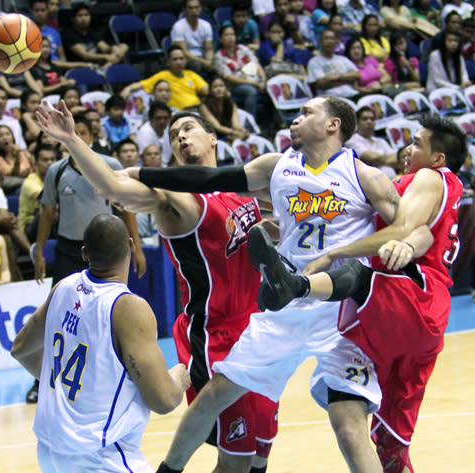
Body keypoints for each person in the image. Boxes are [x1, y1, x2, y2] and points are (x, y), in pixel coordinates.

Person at [72, 96, 425, 473]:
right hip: (277, 309)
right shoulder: (277, 167)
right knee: (218, 403)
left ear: (332, 125)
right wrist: (137, 171)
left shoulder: (366, 176)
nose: (296, 116)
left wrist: (403, 249)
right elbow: (208, 178)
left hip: (340, 314)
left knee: (346, 426)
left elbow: (413, 229)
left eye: (307, 112)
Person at [35, 101, 280, 473]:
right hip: (215, 336)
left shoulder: (243, 189)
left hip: (259, 330)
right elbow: (112, 184)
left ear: (213, 137)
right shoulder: (173, 200)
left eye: (187, 128)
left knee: (260, 454)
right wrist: (71, 140)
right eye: (173, 135)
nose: (180, 136)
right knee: (237, 460)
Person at [251, 113, 466, 473]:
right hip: (419, 319)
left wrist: (336, 252)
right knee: (390, 447)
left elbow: (410, 230)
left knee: (355, 275)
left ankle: (296, 286)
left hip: (413, 294)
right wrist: (289, 225)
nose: (408, 148)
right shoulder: (424, 185)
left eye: (417, 143)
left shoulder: (429, 176)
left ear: (438, 158)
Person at [11, 213, 191, 473]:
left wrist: (63, 387)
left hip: (50, 452)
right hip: (101, 456)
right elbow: (163, 400)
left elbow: (20, 349)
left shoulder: (63, 288)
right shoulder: (129, 308)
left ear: (84, 253)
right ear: (131, 245)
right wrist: (178, 379)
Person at [25, 114, 146, 405]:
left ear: (90, 138)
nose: (76, 136)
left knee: (114, 311)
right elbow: (46, 213)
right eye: (72, 132)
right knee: (57, 312)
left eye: (81, 132)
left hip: (107, 248)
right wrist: (40, 250)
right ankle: (40, 378)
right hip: (69, 248)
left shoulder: (111, 166)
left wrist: (137, 247)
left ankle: (127, 371)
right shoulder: (56, 171)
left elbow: (126, 208)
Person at [121, 45, 209, 112]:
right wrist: (127, 89)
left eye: (181, 59)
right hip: (179, 112)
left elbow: (206, 90)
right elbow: (140, 85)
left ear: (185, 60)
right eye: (175, 59)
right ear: (168, 62)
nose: (179, 62)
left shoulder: (191, 75)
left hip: (198, 109)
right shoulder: (162, 76)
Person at [214, 25, 267, 117]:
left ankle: (274, 121)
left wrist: (263, 80)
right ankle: (251, 121)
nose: (230, 37)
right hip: (234, 86)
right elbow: (230, 78)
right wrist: (255, 84)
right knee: (250, 91)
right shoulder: (219, 57)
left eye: (232, 34)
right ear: (220, 39)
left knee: (269, 86)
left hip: (254, 80)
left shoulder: (243, 49)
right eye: (227, 35)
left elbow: (257, 65)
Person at [61, 3, 128, 67]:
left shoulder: (91, 32)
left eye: (86, 15)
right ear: (73, 19)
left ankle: (106, 67)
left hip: (98, 63)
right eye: (80, 16)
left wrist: (113, 48)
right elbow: (84, 55)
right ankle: (107, 67)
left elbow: (104, 48)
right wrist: (106, 57)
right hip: (82, 66)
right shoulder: (69, 35)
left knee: (124, 46)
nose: (84, 19)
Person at [18, 144, 57, 242]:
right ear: (35, 163)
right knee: (47, 210)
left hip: (51, 221)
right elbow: (47, 201)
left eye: (52, 159)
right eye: (45, 160)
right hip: (29, 227)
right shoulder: (29, 182)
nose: (49, 163)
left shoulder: (58, 179)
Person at [345, 106, 398, 178]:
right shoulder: (352, 140)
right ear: (357, 122)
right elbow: (371, 158)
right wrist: (389, 160)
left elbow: (396, 159)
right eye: (365, 119)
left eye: (372, 119)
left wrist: (379, 160)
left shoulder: (381, 141)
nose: (369, 122)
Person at [307, 29, 360, 98]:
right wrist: (347, 80)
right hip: (331, 99)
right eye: (326, 38)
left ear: (336, 42)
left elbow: (357, 75)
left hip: (352, 95)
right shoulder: (314, 62)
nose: (329, 41)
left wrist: (334, 77)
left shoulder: (343, 59)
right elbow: (322, 84)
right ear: (320, 42)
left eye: (332, 39)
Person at [199, 75, 249, 142]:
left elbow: (235, 124)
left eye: (221, 86)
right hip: (213, 137)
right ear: (210, 90)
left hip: (228, 132)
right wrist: (234, 133)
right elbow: (217, 127)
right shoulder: (204, 106)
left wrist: (242, 130)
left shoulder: (231, 103)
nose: (219, 89)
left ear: (226, 88)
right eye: (215, 87)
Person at [171, 0, 214, 75]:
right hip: (187, 58)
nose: (194, 10)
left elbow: (209, 49)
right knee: (195, 65)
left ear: (200, 8)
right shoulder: (178, 26)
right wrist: (204, 62)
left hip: (202, 56)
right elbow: (183, 52)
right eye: (190, 8)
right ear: (185, 10)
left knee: (218, 62)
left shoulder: (206, 25)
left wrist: (209, 61)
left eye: (196, 7)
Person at [0, 125, 32, 194]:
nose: (5, 138)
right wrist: (17, 159)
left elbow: (29, 170)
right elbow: (12, 175)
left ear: (13, 137)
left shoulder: (21, 153)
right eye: (0, 136)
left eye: (7, 134)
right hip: (8, 189)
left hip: (25, 183)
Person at [134, 101, 172, 167]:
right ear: (150, 118)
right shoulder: (145, 133)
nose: (162, 121)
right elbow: (148, 161)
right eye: (158, 118)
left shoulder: (169, 129)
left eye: (165, 118)